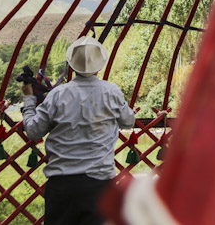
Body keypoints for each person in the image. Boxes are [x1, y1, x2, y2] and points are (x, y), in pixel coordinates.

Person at [21, 36, 135, 225]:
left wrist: (29, 100)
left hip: (62, 185)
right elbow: (128, 121)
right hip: (99, 184)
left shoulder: (57, 95)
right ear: (100, 65)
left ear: (72, 65)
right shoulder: (111, 91)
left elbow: (33, 131)